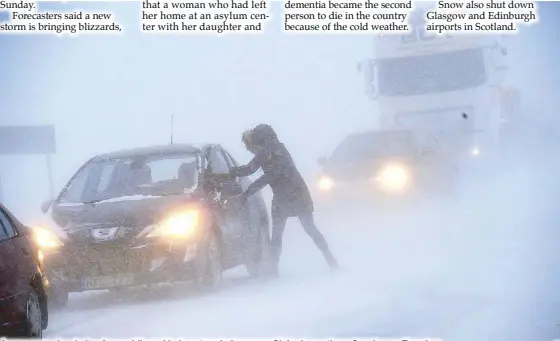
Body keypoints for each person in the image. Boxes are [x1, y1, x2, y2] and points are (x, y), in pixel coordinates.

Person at [230, 124, 339, 276]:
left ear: (258, 141)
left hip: (285, 197)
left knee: (278, 236)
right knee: (309, 229)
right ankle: (331, 260)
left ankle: (274, 271)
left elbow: (260, 174)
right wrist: (233, 173)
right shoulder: (277, 149)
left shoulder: (266, 152)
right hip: (297, 194)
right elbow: (254, 171)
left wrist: (241, 186)